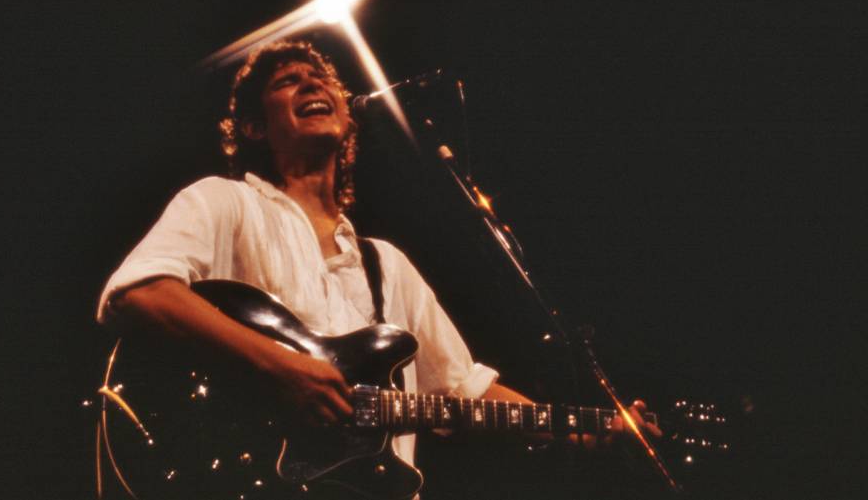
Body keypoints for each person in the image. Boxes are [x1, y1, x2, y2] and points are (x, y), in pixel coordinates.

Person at [96, 40, 657, 480]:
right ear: (253, 127)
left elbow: (463, 391)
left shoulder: (387, 265)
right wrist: (279, 366)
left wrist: (583, 428)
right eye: (288, 82)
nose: (313, 82)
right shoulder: (225, 201)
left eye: (321, 79)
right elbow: (139, 294)